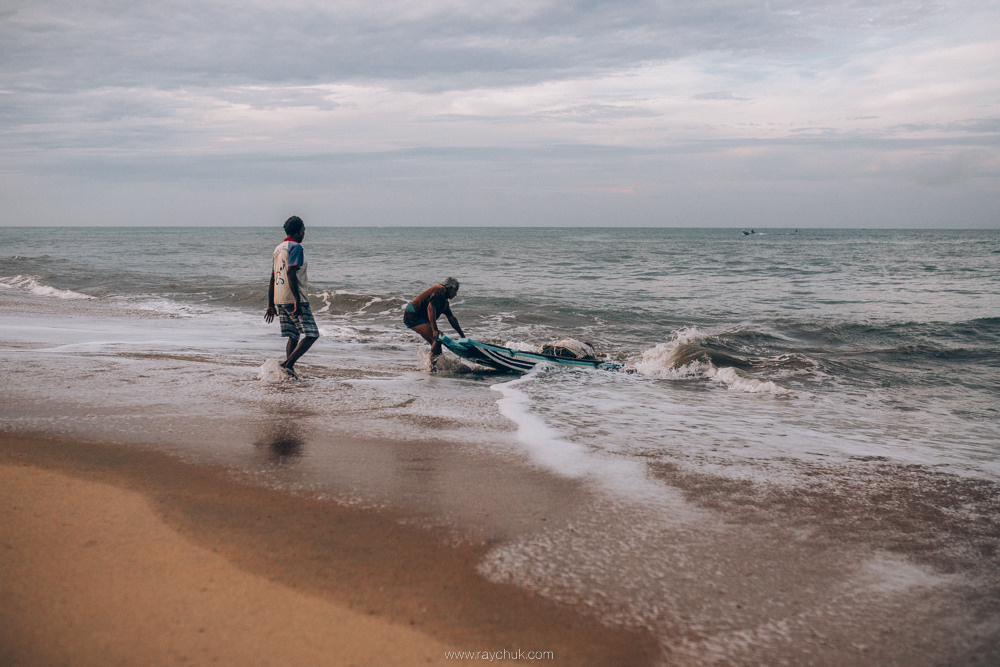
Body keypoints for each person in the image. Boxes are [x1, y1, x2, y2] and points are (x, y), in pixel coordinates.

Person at [264, 216, 318, 378]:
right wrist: (297, 300)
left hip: (280, 299)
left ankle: (289, 372)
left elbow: (273, 278)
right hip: (294, 298)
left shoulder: (278, 249)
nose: (304, 234)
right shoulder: (296, 247)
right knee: (312, 334)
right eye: (303, 231)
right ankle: (288, 364)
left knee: (293, 335)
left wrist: (271, 304)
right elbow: (291, 272)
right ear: (298, 231)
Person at [404, 278, 465, 365]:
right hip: (413, 316)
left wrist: (463, 337)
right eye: (455, 291)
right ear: (450, 287)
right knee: (436, 339)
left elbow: (452, 318)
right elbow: (430, 307)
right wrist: (435, 330)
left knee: (437, 344)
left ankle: (437, 367)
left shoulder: (444, 302)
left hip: (421, 318)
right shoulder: (440, 289)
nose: (456, 294)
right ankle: (432, 368)